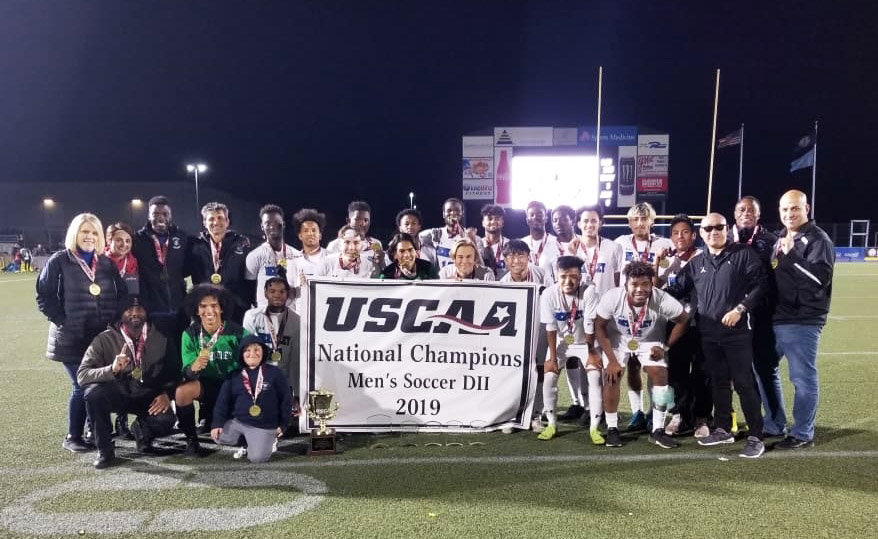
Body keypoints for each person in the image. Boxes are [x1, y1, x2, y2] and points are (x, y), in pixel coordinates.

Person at [665, 213, 768, 458]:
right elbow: (676, 288)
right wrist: (647, 291)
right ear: (702, 233)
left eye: (718, 227)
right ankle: (722, 428)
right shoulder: (698, 263)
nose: (713, 232)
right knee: (719, 383)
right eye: (708, 228)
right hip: (708, 334)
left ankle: (756, 435)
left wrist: (740, 309)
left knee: (744, 383)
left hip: (737, 333)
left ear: (727, 228)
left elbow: (761, 285)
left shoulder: (743, 254)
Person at [36, 213, 127, 453]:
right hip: (71, 338)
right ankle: (72, 436)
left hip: (99, 338)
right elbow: (43, 296)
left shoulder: (105, 264)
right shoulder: (59, 261)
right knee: (81, 386)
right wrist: (63, 321)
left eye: (94, 232)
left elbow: (123, 294)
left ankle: (94, 432)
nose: (89, 236)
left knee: (96, 385)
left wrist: (114, 320)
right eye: (84, 231)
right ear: (75, 234)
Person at [594, 261, 688, 449]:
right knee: (612, 376)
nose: (640, 289)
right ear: (626, 284)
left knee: (660, 374)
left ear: (652, 284)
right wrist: (612, 360)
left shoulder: (661, 298)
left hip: (650, 339)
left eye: (645, 284)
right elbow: (599, 326)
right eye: (634, 285)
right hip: (618, 339)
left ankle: (658, 429)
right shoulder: (612, 297)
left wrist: (665, 347)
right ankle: (612, 428)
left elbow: (683, 320)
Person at [77, 296, 179, 468]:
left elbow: (175, 372)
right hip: (119, 393)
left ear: (146, 313)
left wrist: (167, 394)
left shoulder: (162, 336)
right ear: (121, 313)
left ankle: (142, 431)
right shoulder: (104, 339)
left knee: (166, 419)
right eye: (129, 309)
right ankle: (105, 451)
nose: (134, 313)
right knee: (94, 394)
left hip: (148, 393)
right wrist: (112, 369)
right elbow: (82, 375)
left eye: (139, 308)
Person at [770, 190, 835, 449]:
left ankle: (802, 433)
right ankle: (774, 423)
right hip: (777, 317)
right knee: (763, 369)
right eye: (785, 209)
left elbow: (821, 279)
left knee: (801, 378)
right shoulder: (782, 238)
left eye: (794, 208)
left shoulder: (818, 239)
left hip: (803, 319)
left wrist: (792, 257)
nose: (789, 214)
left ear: (806, 208)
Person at [614, 202, 674, 430]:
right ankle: (637, 411)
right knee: (631, 365)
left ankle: (656, 413)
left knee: (656, 366)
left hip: (654, 313)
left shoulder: (664, 244)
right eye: (635, 219)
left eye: (644, 218)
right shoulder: (620, 243)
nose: (640, 223)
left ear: (652, 221)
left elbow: (664, 280)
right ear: (630, 223)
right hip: (626, 313)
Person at [729, 196, 784, 438]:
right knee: (741, 372)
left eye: (751, 210)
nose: (746, 213)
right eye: (741, 209)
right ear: (735, 214)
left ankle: (775, 422)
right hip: (735, 317)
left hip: (762, 316)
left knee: (765, 369)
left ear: (758, 215)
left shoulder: (771, 241)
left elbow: (778, 280)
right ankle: (754, 422)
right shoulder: (728, 240)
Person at [655, 214, 711, 438]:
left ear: (694, 235)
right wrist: (658, 263)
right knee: (676, 372)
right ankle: (680, 414)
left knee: (702, 372)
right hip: (674, 324)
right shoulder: (669, 259)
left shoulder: (702, 257)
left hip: (700, 323)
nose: (680, 236)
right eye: (676, 233)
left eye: (685, 232)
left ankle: (701, 417)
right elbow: (655, 289)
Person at [175, 284, 248, 456]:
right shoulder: (189, 334)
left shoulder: (237, 332)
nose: (209, 310)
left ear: (222, 308)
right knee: (182, 392)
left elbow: (253, 365)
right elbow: (187, 374)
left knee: (232, 437)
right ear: (196, 310)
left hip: (231, 387)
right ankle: (191, 440)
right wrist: (194, 367)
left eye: (214, 305)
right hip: (205, 386)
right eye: (203, 306)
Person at [537, 255, 604, 445]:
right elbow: (550, 328)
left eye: (573, 276)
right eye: (564, 276)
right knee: (549, 377)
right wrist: (552, 358)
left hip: (586, 344)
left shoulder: (590, 292)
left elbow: (590, 324)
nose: (568, 281)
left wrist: (591, 353)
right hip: (561, 343)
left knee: (594, 378)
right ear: (557, 275)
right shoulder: (549, 294)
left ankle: (594, 428)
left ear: (580, 276)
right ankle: (551, 424)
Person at [211, 335, 293, 463]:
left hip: (263, 426)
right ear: (242, 354)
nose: (252, 354)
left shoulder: (275, 373)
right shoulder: (234, 375)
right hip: (238, 422)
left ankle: (268, 440)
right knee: (218, 436)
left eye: (256, 350)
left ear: (263, 352)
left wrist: (283, 424)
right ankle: (246, 441)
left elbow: (286, 400)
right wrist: (217, 423)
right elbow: (222, 402)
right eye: (247, 350)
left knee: (257, 458)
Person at [499, 240, 553, 431]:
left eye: (520, 255)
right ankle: (513, 415)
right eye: (511, 256)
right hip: (516, 333)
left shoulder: (542, 274)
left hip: (540, 329)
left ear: (528, 257)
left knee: (538, 371)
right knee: (515, 372)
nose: (516, 260)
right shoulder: (502, 284)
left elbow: (552, 300)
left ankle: (536, 415)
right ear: (504, 259)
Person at [132, 196, 191, 342]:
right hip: (152, 311)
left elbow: (190, 268)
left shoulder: (182, 237)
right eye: (155, 214)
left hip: (179, 311)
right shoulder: (137, 240)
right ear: (149, 216)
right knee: (156, 359)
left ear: (170, 216)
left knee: (179, 358)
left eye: (165, 214)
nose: (160, 218)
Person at [242, 277, 301, 419]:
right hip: (258, 375)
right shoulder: (252, 316)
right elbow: (246, 353)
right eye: (272, 291)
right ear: (265, 293)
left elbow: (296, 360)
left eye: (281, 291)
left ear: (288, 294)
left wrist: (297, 394)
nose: (277, 295)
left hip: (283, 377)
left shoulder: (297, 320)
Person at [189, 202, 252, 322]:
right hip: (207, 308)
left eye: (220, 218)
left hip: (236, 308)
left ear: (227, 221)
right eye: (211, 219)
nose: (216, 222)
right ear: (204, 223)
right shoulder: (195, 246)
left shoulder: (242, 244)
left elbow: (249, 277)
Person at [245, 204, 300, 309]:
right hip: (265, 314)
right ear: (262, 227)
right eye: (267, 223)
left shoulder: (296, 255)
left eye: (276, 222)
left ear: (283, 224)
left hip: (290, 314)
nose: (272, 226)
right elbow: (248, 290)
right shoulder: (255, 256)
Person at [571, 204, 623, 295]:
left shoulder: (614, 247)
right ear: (579, 224)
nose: (590, 225)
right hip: (581, 304)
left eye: (594, 221)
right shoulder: (572, 248)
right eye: (585, 221)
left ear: (600, 223)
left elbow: (618, 280)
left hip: (606, 304)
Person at [419, 198, 483, 270]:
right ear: (443, 214)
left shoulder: (475, 238)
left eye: (457, 210)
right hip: (442, 280)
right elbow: (414, 237)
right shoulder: (435, 235)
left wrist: (471, 240)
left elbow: (481, 268)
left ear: (462, 213)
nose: (453, 213)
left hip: (465, 280)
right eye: (449, 210)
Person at [317, 226, 381, 279]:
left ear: (362, 245)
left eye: (356, 243)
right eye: (347, 242)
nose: (351, 248)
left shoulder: (371, 265)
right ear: (339, 245)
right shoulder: (326, 263)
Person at [105, 222, 139, 296]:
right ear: (109, 241)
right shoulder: (97, 259)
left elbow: (132, 293)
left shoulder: (133, 264)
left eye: (127, 241)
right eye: (119, 240)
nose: (124, 244)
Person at [480, 204, 510, 280]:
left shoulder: (509, 245)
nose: (493, 222)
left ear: (502, 222)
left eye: (497, 219)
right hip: (482, 288)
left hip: (504, 289)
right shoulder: (477, 245)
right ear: (483, 223)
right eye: (489, 219)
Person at [521, 201, 553, 270]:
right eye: (531, 215)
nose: (535, 217)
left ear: (546, 218)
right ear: (527, 220)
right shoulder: (521, 244)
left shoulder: (556, 242)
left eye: (539, 214)